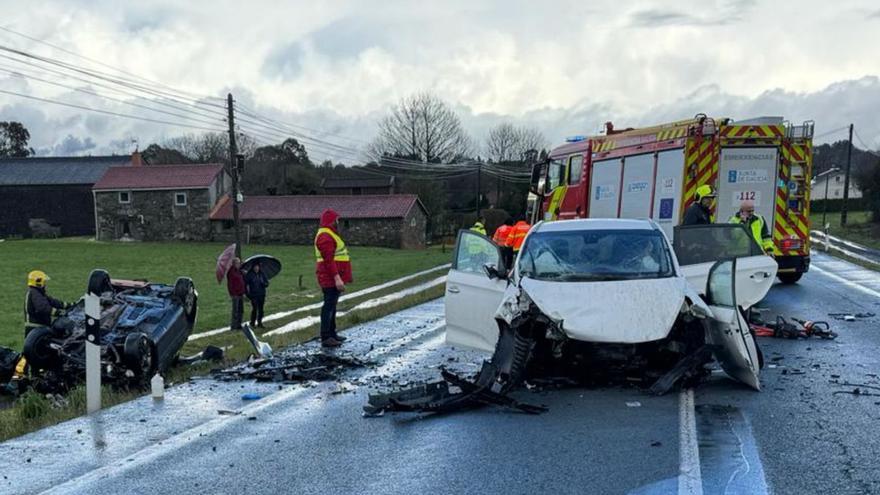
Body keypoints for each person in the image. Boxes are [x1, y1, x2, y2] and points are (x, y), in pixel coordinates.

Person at [315, 209, 353, 348]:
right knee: (329, 306)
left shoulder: (329, 234)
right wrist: (337, 278)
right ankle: (326, 336)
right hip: (329, 277)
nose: (338, 223)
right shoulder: (325, 236)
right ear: (331, 221)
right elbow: (329, 261)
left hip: (331, 276)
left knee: (332, 305)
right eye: (337, 220)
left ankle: (332, 333)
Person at [24, 270, 69, 337]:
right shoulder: (35, 294)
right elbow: (43, 308)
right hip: (36, 328)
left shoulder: (38, 293)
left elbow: (53, 302)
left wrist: (69, 305)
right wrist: (58, 313)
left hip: (37, 328)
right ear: (38, 282)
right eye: (44, 282)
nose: (45, 284)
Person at [245, 262, 270, 328]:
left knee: (261, 309)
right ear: (253, 267)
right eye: (255, 267)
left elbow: (267, 283)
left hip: (261, 294)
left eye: (257, 267)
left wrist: (263, 283)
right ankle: (252, 323)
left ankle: (260, 322)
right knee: (255, 309)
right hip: (253, 295)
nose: (256, 268)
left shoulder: (262, 274)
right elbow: (245, 285)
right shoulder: (249, 275)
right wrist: (248, 294)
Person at [227, 257, 246, 330]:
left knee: (241, 310)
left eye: (239, 263)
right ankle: (233, 326)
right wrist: (232, 293)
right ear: (234, 264)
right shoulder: (231, 272)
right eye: (238, 263)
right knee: (235, 311)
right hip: (235, 294)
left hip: (241, 293)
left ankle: (239, 324)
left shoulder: (239, 271)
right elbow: (230, 284)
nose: (239, 264)